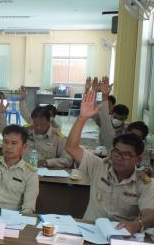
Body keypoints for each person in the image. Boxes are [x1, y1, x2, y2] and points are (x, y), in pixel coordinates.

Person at [65, 91, 154, 233]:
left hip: (122, 235)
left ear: (138, 159)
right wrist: (82, 118)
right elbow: (71, 147)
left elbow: (150, 214)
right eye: (116, 152)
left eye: (126, 155)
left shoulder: (144, 183)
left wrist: (137, 225)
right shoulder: (99, 166)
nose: (118, 157)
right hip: (89, 230)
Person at [0, 97, 72, 169]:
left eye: (42, 124)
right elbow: (7, 134)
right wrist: (0, 114)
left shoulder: (58, 138)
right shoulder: (25, 132)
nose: (38, 127)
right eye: (36, 124)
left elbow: (68, 160)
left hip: (47, 176)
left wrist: (47, 162)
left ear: (49, 122)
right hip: (23, 172)